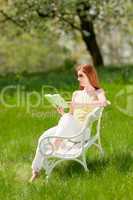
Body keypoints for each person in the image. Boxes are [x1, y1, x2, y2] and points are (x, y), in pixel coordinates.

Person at [29, 64, 109, 182]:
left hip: (82, 132)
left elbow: (104, 103)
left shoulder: (98, 92)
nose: (78, 79)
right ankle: (35, 171)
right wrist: (62, 112)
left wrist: (80, 105)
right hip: (69, 128)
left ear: (89, 75)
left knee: (66, 120)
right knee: (44, 136)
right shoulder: (76, 94)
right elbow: (71, 116)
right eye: (78, 76)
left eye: (81, 75)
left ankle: (55, 146)